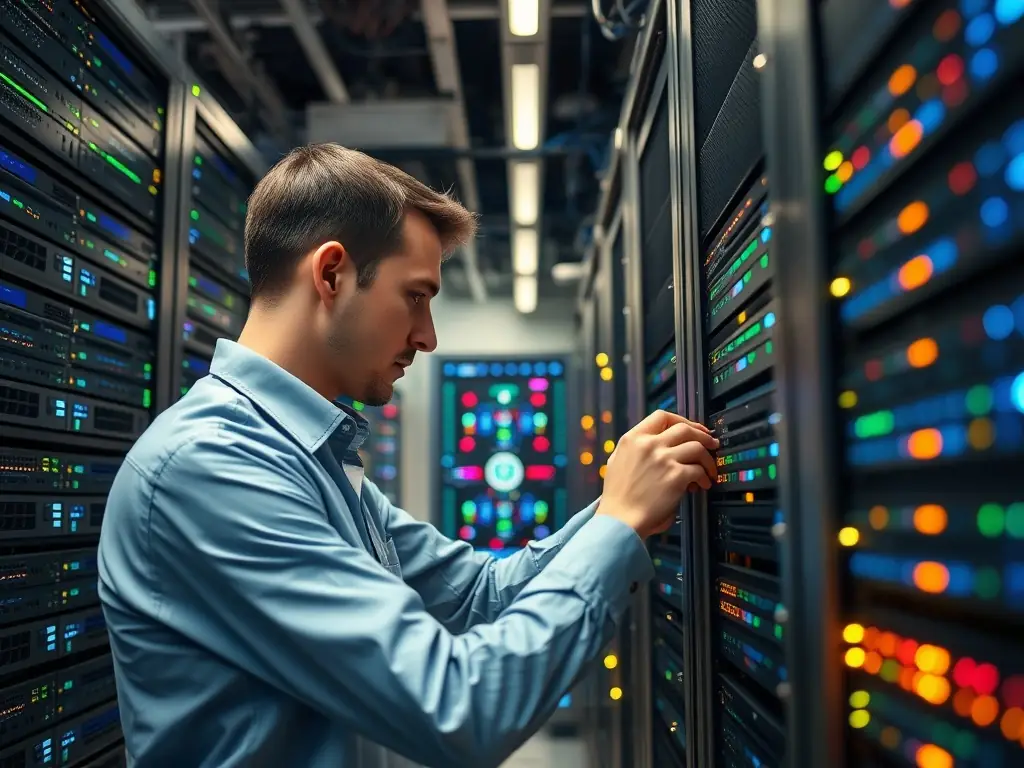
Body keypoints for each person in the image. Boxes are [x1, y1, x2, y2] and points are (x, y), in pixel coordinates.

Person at [97, 144, 719, 768]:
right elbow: (458, 710)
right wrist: (617, 527)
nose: (427, 336)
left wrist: (619, 506)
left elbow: (477, 594)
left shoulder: (309, 460)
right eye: (416, 297)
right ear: (331, 274)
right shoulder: (211, 469)